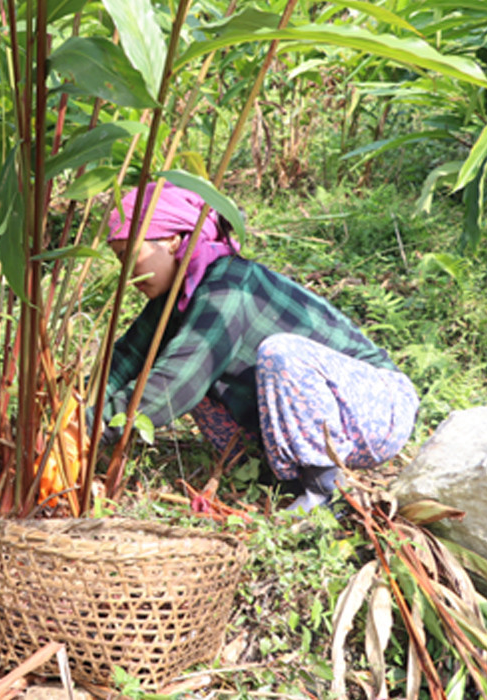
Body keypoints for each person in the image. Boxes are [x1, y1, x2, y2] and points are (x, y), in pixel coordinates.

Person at [101, 183, 419, 512]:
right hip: (317, 428)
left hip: (377, 410)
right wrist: (77, 414)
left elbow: (182, 377)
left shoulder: (230, 286)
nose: (127, 274)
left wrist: (99, 426)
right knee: (177, 357)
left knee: (273, 355)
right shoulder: (178, 298)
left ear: (171, 240)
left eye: (129, 256)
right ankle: (277, 477)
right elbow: (127, 357)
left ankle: (324, 490)